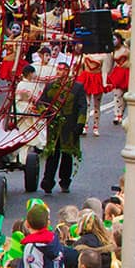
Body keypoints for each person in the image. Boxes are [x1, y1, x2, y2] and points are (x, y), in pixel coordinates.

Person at [41, 63, 86, 194]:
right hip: (54, 126)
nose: (60, 72)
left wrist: (80, 124)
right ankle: (47, 182)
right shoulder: (50, 86)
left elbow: (82, 107)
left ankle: (65, 182)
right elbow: (41, 102)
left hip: (69, 126)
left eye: (63, 70)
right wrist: (45, 112)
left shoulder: (77, 87)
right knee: (52, 154)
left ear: (68, 71)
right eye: (58, 69)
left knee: (67, 155)